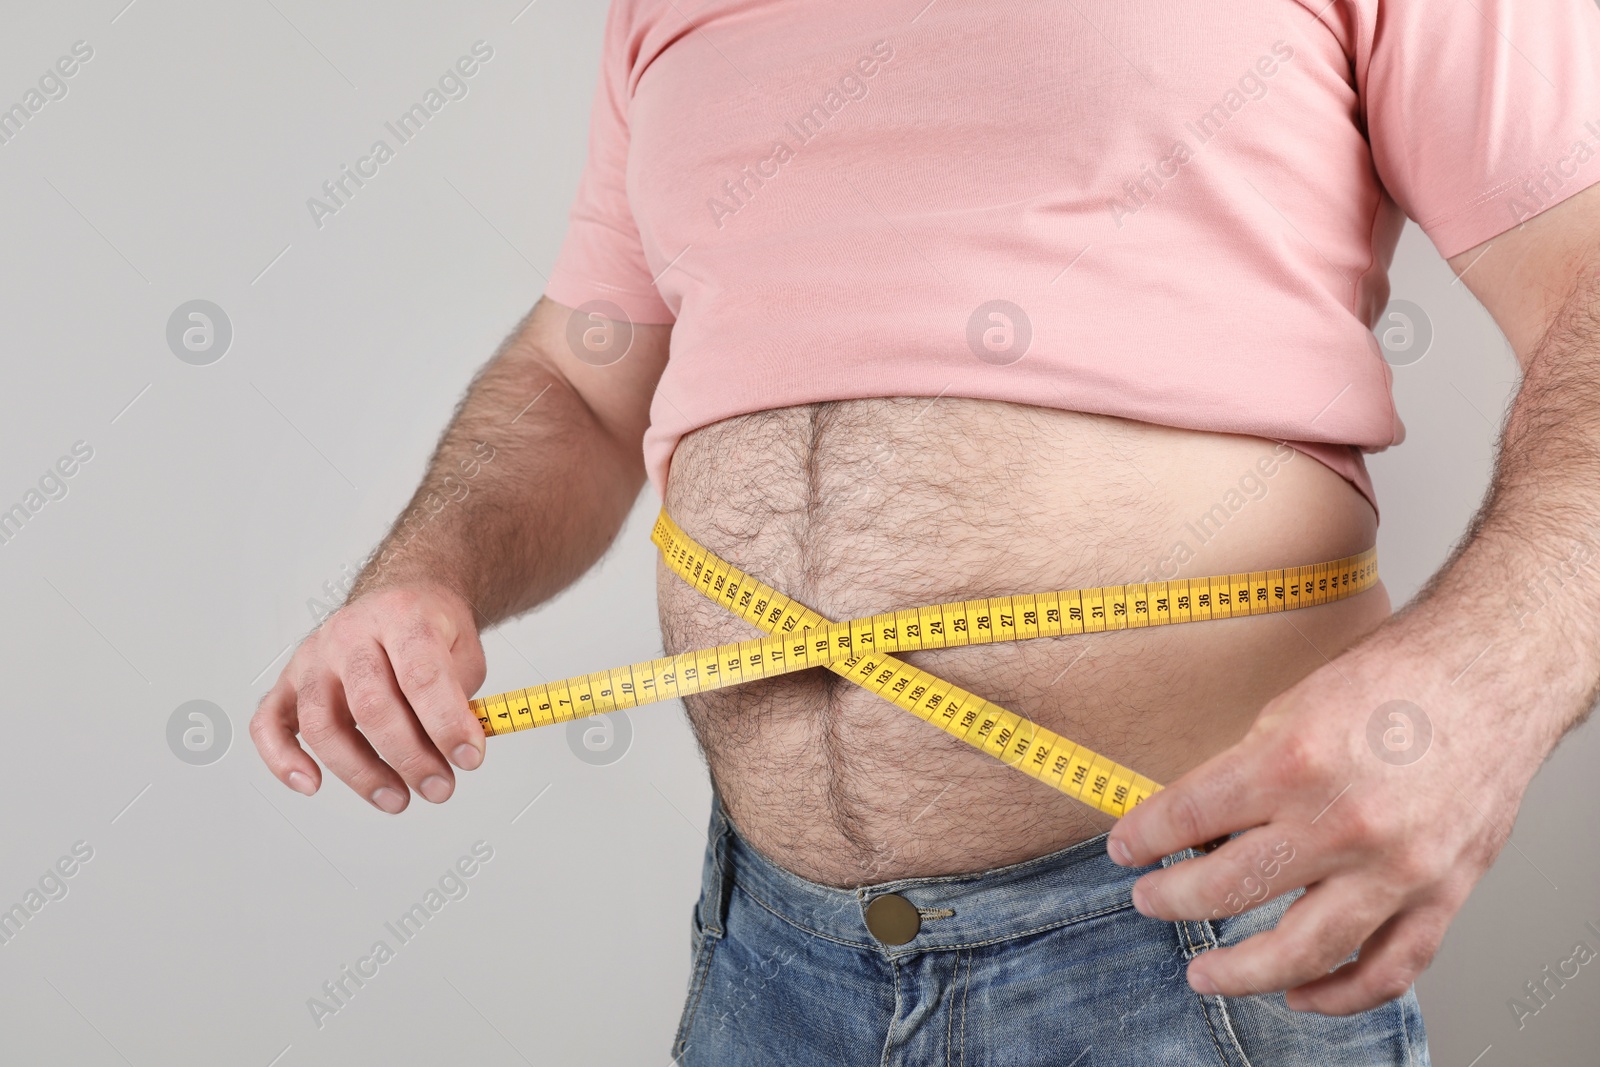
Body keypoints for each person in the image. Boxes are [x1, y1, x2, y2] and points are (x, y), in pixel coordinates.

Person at [251, 0, 1600, 1062]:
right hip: (764, 962)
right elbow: (578, 379)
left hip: (1187, 954)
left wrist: (1488, 689)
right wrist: (423, 572)